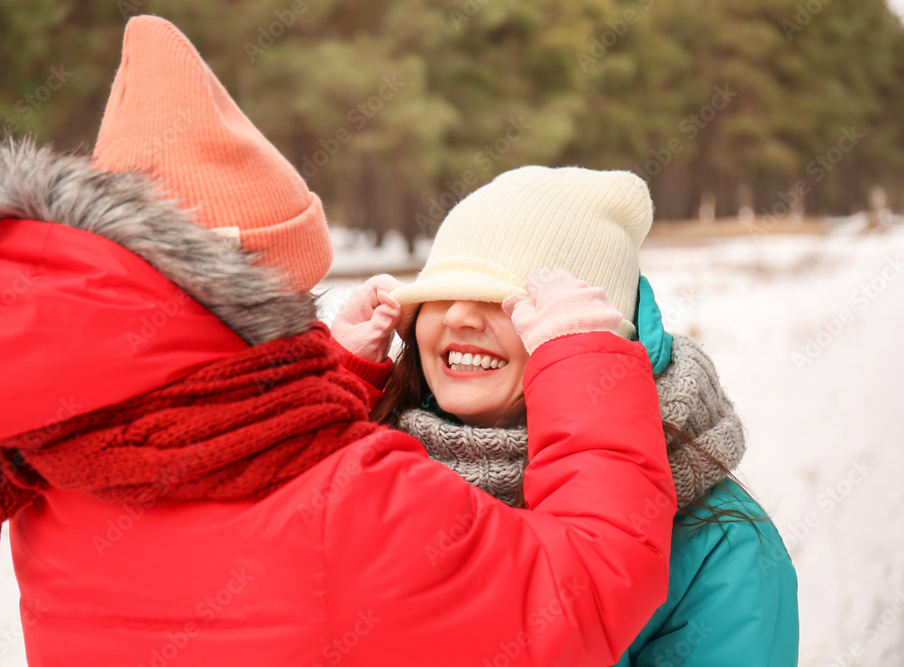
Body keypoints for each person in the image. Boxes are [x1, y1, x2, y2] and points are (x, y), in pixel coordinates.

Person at [0, 16, 676, 667]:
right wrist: (583, 359)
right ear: (244, 298)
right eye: (292, 299)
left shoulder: (47, 471)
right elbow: (587, 587)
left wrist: (331, 374)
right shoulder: (352, 503)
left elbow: (222, 466)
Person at [333, 165, 799, 665]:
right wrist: (331, 404)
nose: (457, 316)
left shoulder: (722, 545)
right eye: (441, 291)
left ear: (590, 332)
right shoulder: (379, 472)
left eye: (505, 299)